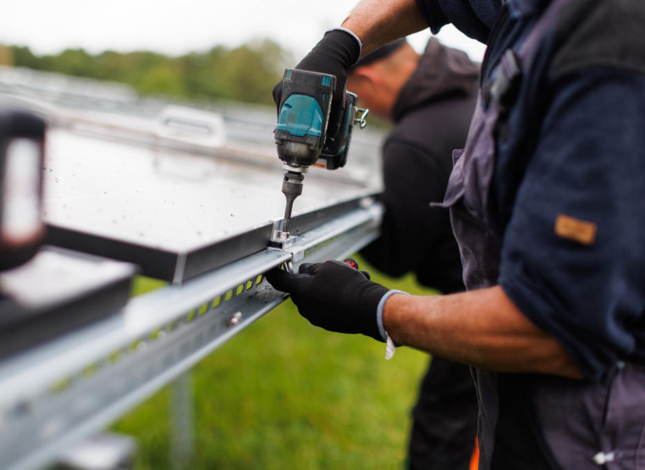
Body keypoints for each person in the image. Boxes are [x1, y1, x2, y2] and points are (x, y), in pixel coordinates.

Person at [268, 1, 645, 469]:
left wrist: (374, 308)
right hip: (504, 394)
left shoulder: (610, 38)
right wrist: (342, 42)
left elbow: (557, 325)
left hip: (590, 437)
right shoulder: (522, 14)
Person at [347, 38, 479, 469]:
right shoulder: (480, 88)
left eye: (354, 96)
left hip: (477, 312)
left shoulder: (412, 141)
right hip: (533, 292)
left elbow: (396, 256)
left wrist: (360, 220)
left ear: (366, 77)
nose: (360, 107)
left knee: (442, 435)